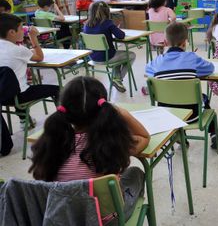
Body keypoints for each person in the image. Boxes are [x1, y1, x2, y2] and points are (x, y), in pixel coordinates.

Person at [28, 76, 150, 221]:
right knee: (136, 173)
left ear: (65, 111)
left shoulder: (51, 144)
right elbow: (144, 137)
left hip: (62, 217)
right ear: (104, 109)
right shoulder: (112, 144)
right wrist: (122, 113)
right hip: (105, 221)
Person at [145, 22, 218, 149]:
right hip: (193, 115)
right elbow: (210, 68)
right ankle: (214, 134)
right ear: (185, 42)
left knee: (175, 96)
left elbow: (148, 70)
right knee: (204, 100)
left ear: (165, 42)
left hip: (167, 115)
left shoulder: (157, 61)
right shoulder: (191, 58)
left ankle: (180, 136)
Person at [0, 13, 60, 154]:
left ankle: (24, 119)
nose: (24, 31)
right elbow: (39, 57)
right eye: (22, 29)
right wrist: (33, 38)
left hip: (2, 95)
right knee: (58, 89)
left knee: (21, 85)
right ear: (12, 32)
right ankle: (63, 125)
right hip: (18, 96)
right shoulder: (18, 50)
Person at [83, 1, 136, 93]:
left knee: (119, 57)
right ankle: (118, 78)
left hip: (92, 57)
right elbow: (121, 36)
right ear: (107, 11)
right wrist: (115, 27)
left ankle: (116, 79)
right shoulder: (108, 23)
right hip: (107, 57)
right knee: (131, 55)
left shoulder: (86, 25)